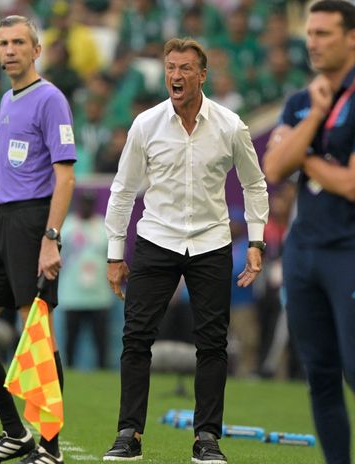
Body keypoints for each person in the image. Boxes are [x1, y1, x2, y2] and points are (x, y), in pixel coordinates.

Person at [102, 37, 268, 463]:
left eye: (184, 69)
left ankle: (206, 439)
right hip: (157, 239)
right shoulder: (145, 124)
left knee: (212, 344)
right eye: (170, 68)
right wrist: (115, 254)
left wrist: (255, 241)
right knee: (135, 338)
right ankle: (129, 434)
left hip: (212, 243)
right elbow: (122, 191)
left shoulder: (231, 125)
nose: (175, 76)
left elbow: (254, 184)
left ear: (202, 75)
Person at [261, 1, 355, 462]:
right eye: (310, 33)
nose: (312, 42)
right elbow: (274, 167)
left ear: (353, 37)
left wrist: (304, 154)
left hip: (353, 253)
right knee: (319, 373)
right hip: (304, 254)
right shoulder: (301, 101)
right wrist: (315, 119)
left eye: (323, 33)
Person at [0, 15, 76, 464]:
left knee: (37, 337)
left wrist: (50, 238)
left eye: (18, 42)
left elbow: (65, 178)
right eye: (3, 43)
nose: (9, 50)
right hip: (2, 223)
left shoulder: (50, 100)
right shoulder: (7, 99)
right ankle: (15, 432)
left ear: (36, 50)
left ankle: (50, 448)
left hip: (32, 226)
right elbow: (10, 174)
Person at [58, 190, 114, 369]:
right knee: (71, 339)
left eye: (90, 204)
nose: (86, 207)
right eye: (83, 203)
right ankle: (69, 370)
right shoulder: (67, 227)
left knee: (101, 341)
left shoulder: (103, 226)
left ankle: (102, 373)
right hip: (73, 295)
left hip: (99, 295)